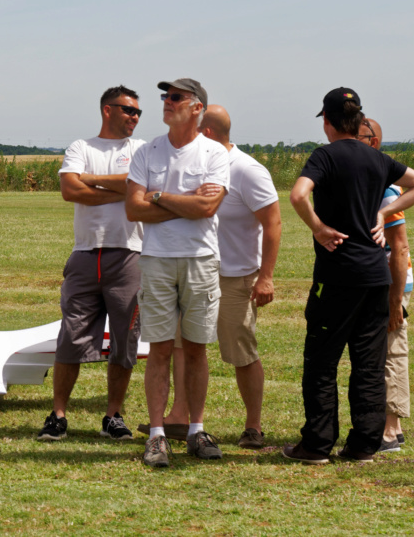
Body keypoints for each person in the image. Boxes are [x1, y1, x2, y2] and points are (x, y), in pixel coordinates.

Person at [283, 88, 414, 465]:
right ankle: (365, 444)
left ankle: (316, 445)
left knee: (321, 361)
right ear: (358, 120)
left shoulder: (324, 156)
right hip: (375, 278)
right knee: (368, 363)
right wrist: (384, 214)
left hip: (337, 275)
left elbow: (298, 195)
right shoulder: (377, 158)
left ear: (328, 123)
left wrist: (318, 227)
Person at [139, 105, 282, 450]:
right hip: (191, 267)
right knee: (180, 347)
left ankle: (253, 426)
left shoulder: (247, 170)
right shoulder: (187, 161)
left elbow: (273, 223)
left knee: (240, 351)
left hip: (235, 277)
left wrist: (265, 277)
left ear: (207, 133)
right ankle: (178, 417)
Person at [126, 78, 229, 467]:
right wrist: (182, 202)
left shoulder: (213, 154)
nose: (166, 103)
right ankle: (156, 436)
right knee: (159, 349)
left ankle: (195, 430)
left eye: (176, 98)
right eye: (165, 98)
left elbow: (207, 209)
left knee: (197, 348)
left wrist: (157, 195)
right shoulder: (147, 151)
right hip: (155, 258)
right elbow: (133, 210)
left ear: (198, 107)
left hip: (200, 258)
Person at [37, 86, 146, 442]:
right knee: (70, 336)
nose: (134, 117)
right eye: (128, 110)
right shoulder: (80, 147)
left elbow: (141, 188)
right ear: (107, 110)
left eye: (137, 113)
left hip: (129, 254)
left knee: (124, 339)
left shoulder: (141, 150)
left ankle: (113, 415)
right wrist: (124, 188)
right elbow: (70, 190)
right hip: (85, 255)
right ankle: (58, 415)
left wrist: (93, 180)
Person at [362, 117, 412, 453]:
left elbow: (400, 247)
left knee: (392, 350)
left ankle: (391, 430)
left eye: (361, 135)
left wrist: (395, 301)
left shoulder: (386, 190)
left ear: (375, 143)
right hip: (370, 280)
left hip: (391, 281)